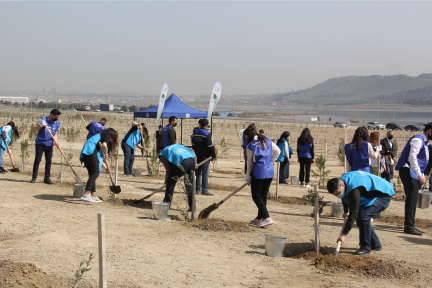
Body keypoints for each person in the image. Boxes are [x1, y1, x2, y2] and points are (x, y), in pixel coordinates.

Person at [327, 171, 395, 255]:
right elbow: (344, 196)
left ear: (342, 185)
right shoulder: (343, 181)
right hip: (375, 193)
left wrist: (344, 234)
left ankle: (366, 247)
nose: (338, 195)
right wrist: (345, 211)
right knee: (362, 219)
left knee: (363, 217)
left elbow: (353, 214)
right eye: (335, 195)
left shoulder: (354, 189)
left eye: (338, 193)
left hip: (384, 194)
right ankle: (375, 244)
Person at [395, 122, 432, 235]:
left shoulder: (425, 142)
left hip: (413, 172)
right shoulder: (418, 140)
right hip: (408, 171)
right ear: (430, 131)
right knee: (412, 198)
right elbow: (412, 157)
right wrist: (419, 174)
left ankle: (411, 224)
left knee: (413, 198)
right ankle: (409, 226)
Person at [245, 125, 280, 228]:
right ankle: (259, 219)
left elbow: (249, 162)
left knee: (256, 195)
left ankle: (267, 217)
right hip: (269, 171)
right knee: (263, 195)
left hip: (259, 172)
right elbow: (278, 151)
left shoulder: (251, 145)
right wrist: (271, 162)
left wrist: (248, 176)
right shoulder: (267, 140)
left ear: (248, 136)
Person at [79, 128, 118, 202]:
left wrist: (106, 168)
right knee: (95, 173)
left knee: (92, 173)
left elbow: (98, 159)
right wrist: (106, 153)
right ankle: (86, 194)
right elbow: (104, 145)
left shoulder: (98, 140)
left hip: (86, 152)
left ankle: (94, 195)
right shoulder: (106, 134)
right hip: (90, 150)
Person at [159, 144, 197, 208]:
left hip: (182, 163)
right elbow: (192, 151)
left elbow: (168, 169)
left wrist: (168, 180)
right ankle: (192, 206)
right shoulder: (177, 145)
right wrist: (195, 163)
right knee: (189, 186)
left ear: (159, 151)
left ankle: (166, 204)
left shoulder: (162, 153)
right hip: (191, 161)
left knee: (170, 185)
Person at [30, 109, 62, 184]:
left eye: (58, 117)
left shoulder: (57, 123)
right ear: (51, 115)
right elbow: (33, 129)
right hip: (40, 143)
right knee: (37, 160)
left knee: (48, 161)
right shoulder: (42, 119)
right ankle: (34, 177)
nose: (57, 119)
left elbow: (55, 134)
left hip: (49, 144)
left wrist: (56, 141)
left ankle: (46, 178)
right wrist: (40, 125)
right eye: (56, 117)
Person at [191, 118, 216, 196]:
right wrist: (213, 155)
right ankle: (204, 190)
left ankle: (197, 190)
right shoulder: (207, 134)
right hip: (205, 157)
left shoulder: (194, 134)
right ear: (207, 125)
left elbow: (193, 145)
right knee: (205, 174)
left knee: (197, 174)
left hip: (196, 157)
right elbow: (210, 146)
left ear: (199, 125)